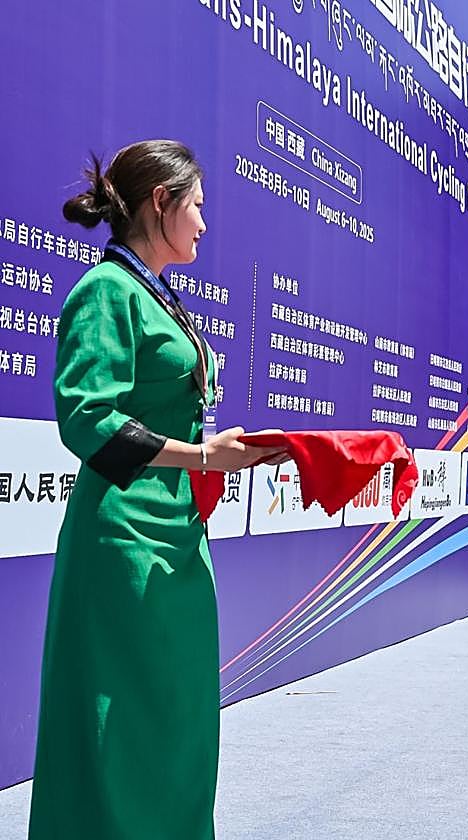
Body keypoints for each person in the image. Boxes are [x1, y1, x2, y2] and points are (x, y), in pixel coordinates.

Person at [29, 141, 288, 840]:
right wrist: (204, 456)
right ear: (161, 203)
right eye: (198, 206)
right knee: (127, 726)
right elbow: (87, 418)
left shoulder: (152, 293)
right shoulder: (105, 291)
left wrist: (220, 454)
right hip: (123, 543)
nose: (205, 224)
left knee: (178, 719)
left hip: (176, 537)